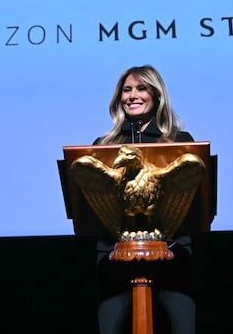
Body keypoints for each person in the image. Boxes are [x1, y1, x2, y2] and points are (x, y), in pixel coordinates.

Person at [94, 65, 196, 334]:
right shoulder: (103, 146)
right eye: (126, 90)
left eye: (141, 88)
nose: (132, 95)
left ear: (157, 95)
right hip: (115, 255)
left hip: (172, 254)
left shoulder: (179, 142)